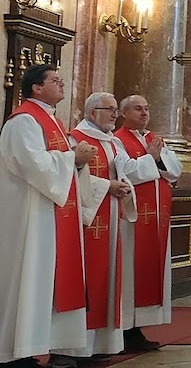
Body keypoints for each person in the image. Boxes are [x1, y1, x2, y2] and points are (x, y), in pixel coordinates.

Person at [0, 65, 102, 368]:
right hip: (29, 215)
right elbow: (32, 163)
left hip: (51, 214)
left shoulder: (53, 120)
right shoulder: (23, 121)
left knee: (44, 281)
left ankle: (35, 348)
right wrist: (73, 158)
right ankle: (13, 353)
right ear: (36, 87)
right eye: (55, 81)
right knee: (28, 277)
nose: (62, 84)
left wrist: (77, 162)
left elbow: (59, 164)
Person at [67, 93, 151, 361]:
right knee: (87, 279)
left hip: (112, 217)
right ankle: (77, 347)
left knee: (108, 278)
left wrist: (124, 185)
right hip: (86, 220)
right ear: (92, 113)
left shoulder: (112, 142)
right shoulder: (76, 139)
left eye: (116, 109)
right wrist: (107, 186)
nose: (115, 114)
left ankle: (101, 345)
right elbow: (70, 176)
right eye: (110, 109)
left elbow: (125, 172)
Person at [114, 94, 182, 352]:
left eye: (146, 108)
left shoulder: (154, 139)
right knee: (130, 271)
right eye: (137, 109)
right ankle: (125, 328)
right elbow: (127, 172)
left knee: (148, 268)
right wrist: (151, 158)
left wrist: (157, 158)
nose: (144, 113)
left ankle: (137, 327)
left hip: (157, 218)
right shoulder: (117, 140)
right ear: (123, 113)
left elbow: (175, 170)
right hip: (131, 218)